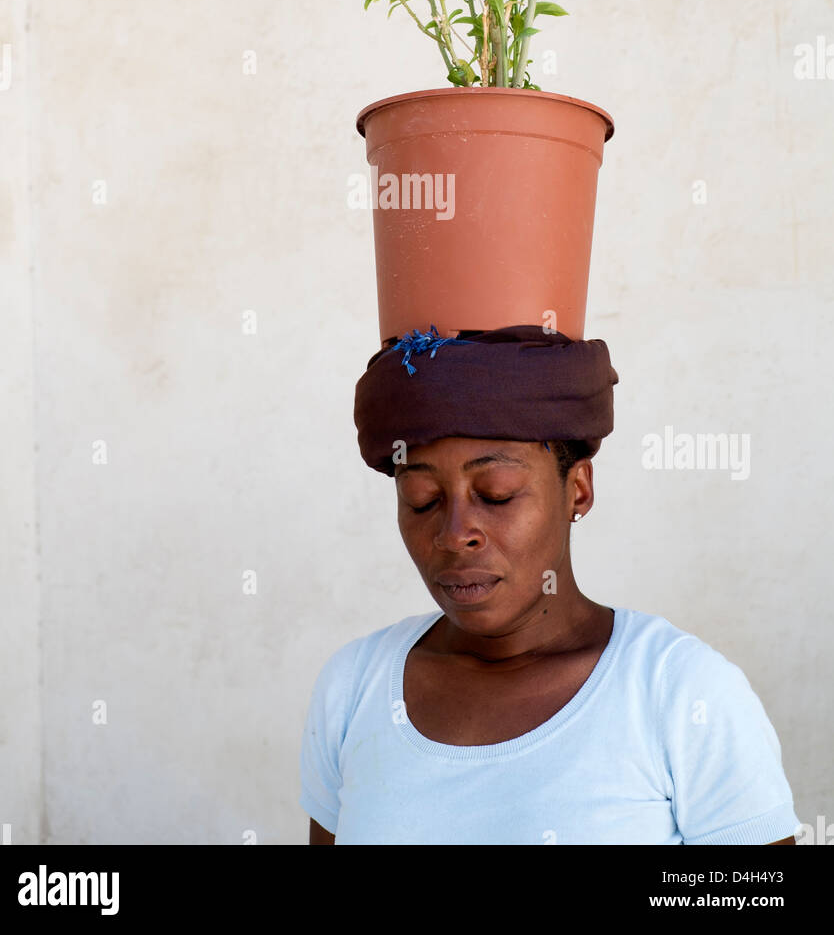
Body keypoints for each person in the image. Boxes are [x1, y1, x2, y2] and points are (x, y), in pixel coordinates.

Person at [300, 325, 800, 846]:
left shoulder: (677, 690)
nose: (453, 536)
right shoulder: (354, 688)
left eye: (496, 495)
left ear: (577, 490)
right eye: (423, 498)